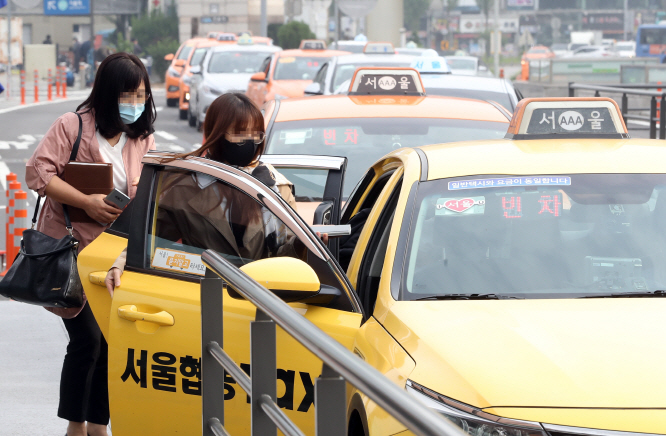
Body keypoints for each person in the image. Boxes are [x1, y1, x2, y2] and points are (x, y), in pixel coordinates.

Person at [25, 52, 156, 436]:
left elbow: (145, 195)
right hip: (70, 252)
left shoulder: (142, 138)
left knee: (111, 345)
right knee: (87, 340)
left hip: (114, 255)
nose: (135, 104)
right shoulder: (73, 126)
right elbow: (38, 173)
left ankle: (98, 425)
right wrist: (86, 202)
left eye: (142, 95)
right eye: (127, 95)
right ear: (108, 93)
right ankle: (75, 427)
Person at [105, 92, 318, 294]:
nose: (250, 141)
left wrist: (302, 244)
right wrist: (121, 262)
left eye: (256, 134)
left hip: (265, 302)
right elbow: (150, 239)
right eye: (240, 133)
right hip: (206, 299)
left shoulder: (275, 187)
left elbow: (285, 257)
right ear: (217, 133)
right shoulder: (186, 187)